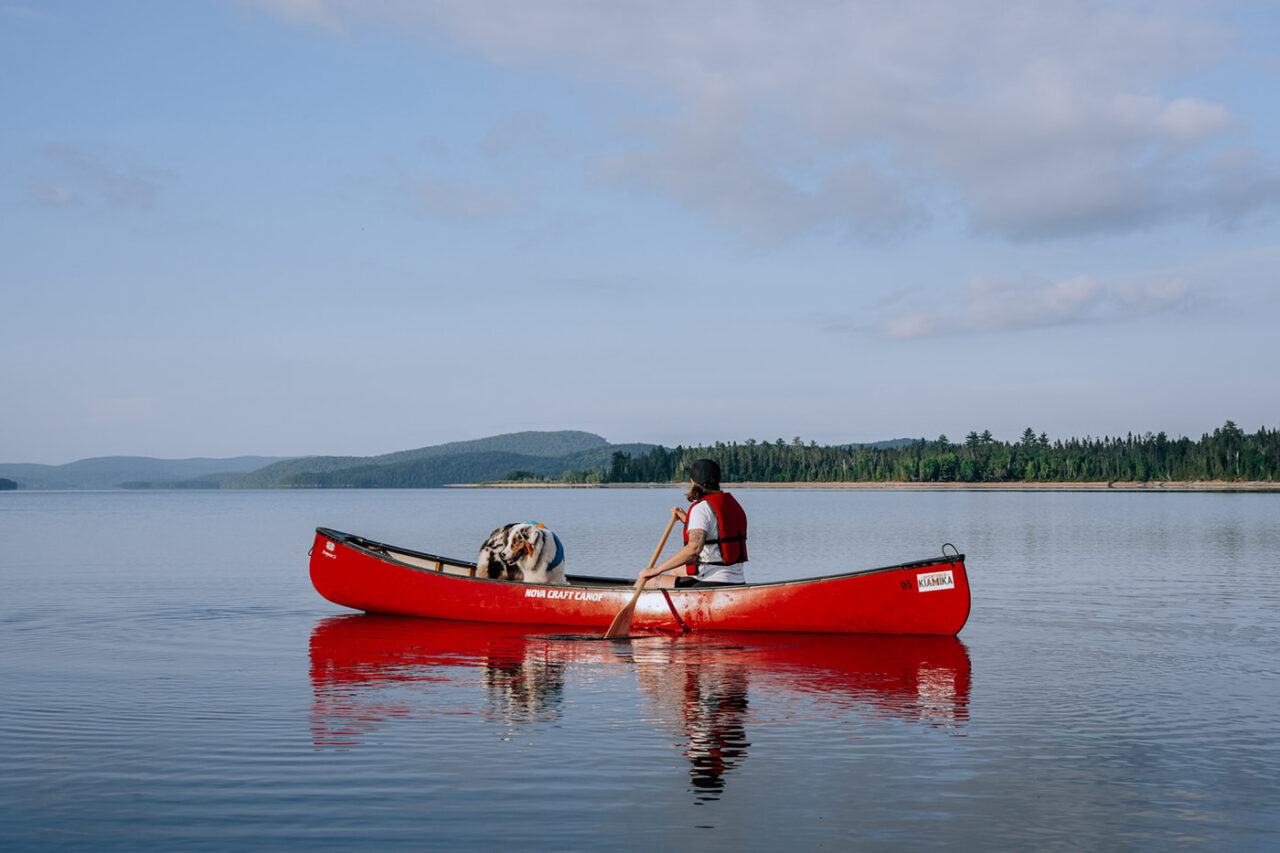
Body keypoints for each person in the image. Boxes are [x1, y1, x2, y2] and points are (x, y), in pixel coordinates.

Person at [637, 459, 748, 588]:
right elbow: (716, 530)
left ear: (693, 481)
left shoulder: (701, 508)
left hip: (712, 581)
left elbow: (693, 549)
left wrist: (656, 570)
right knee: (677, 571)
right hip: (737, 579)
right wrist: (686, 520)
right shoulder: (733, 505)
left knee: (644, 580)